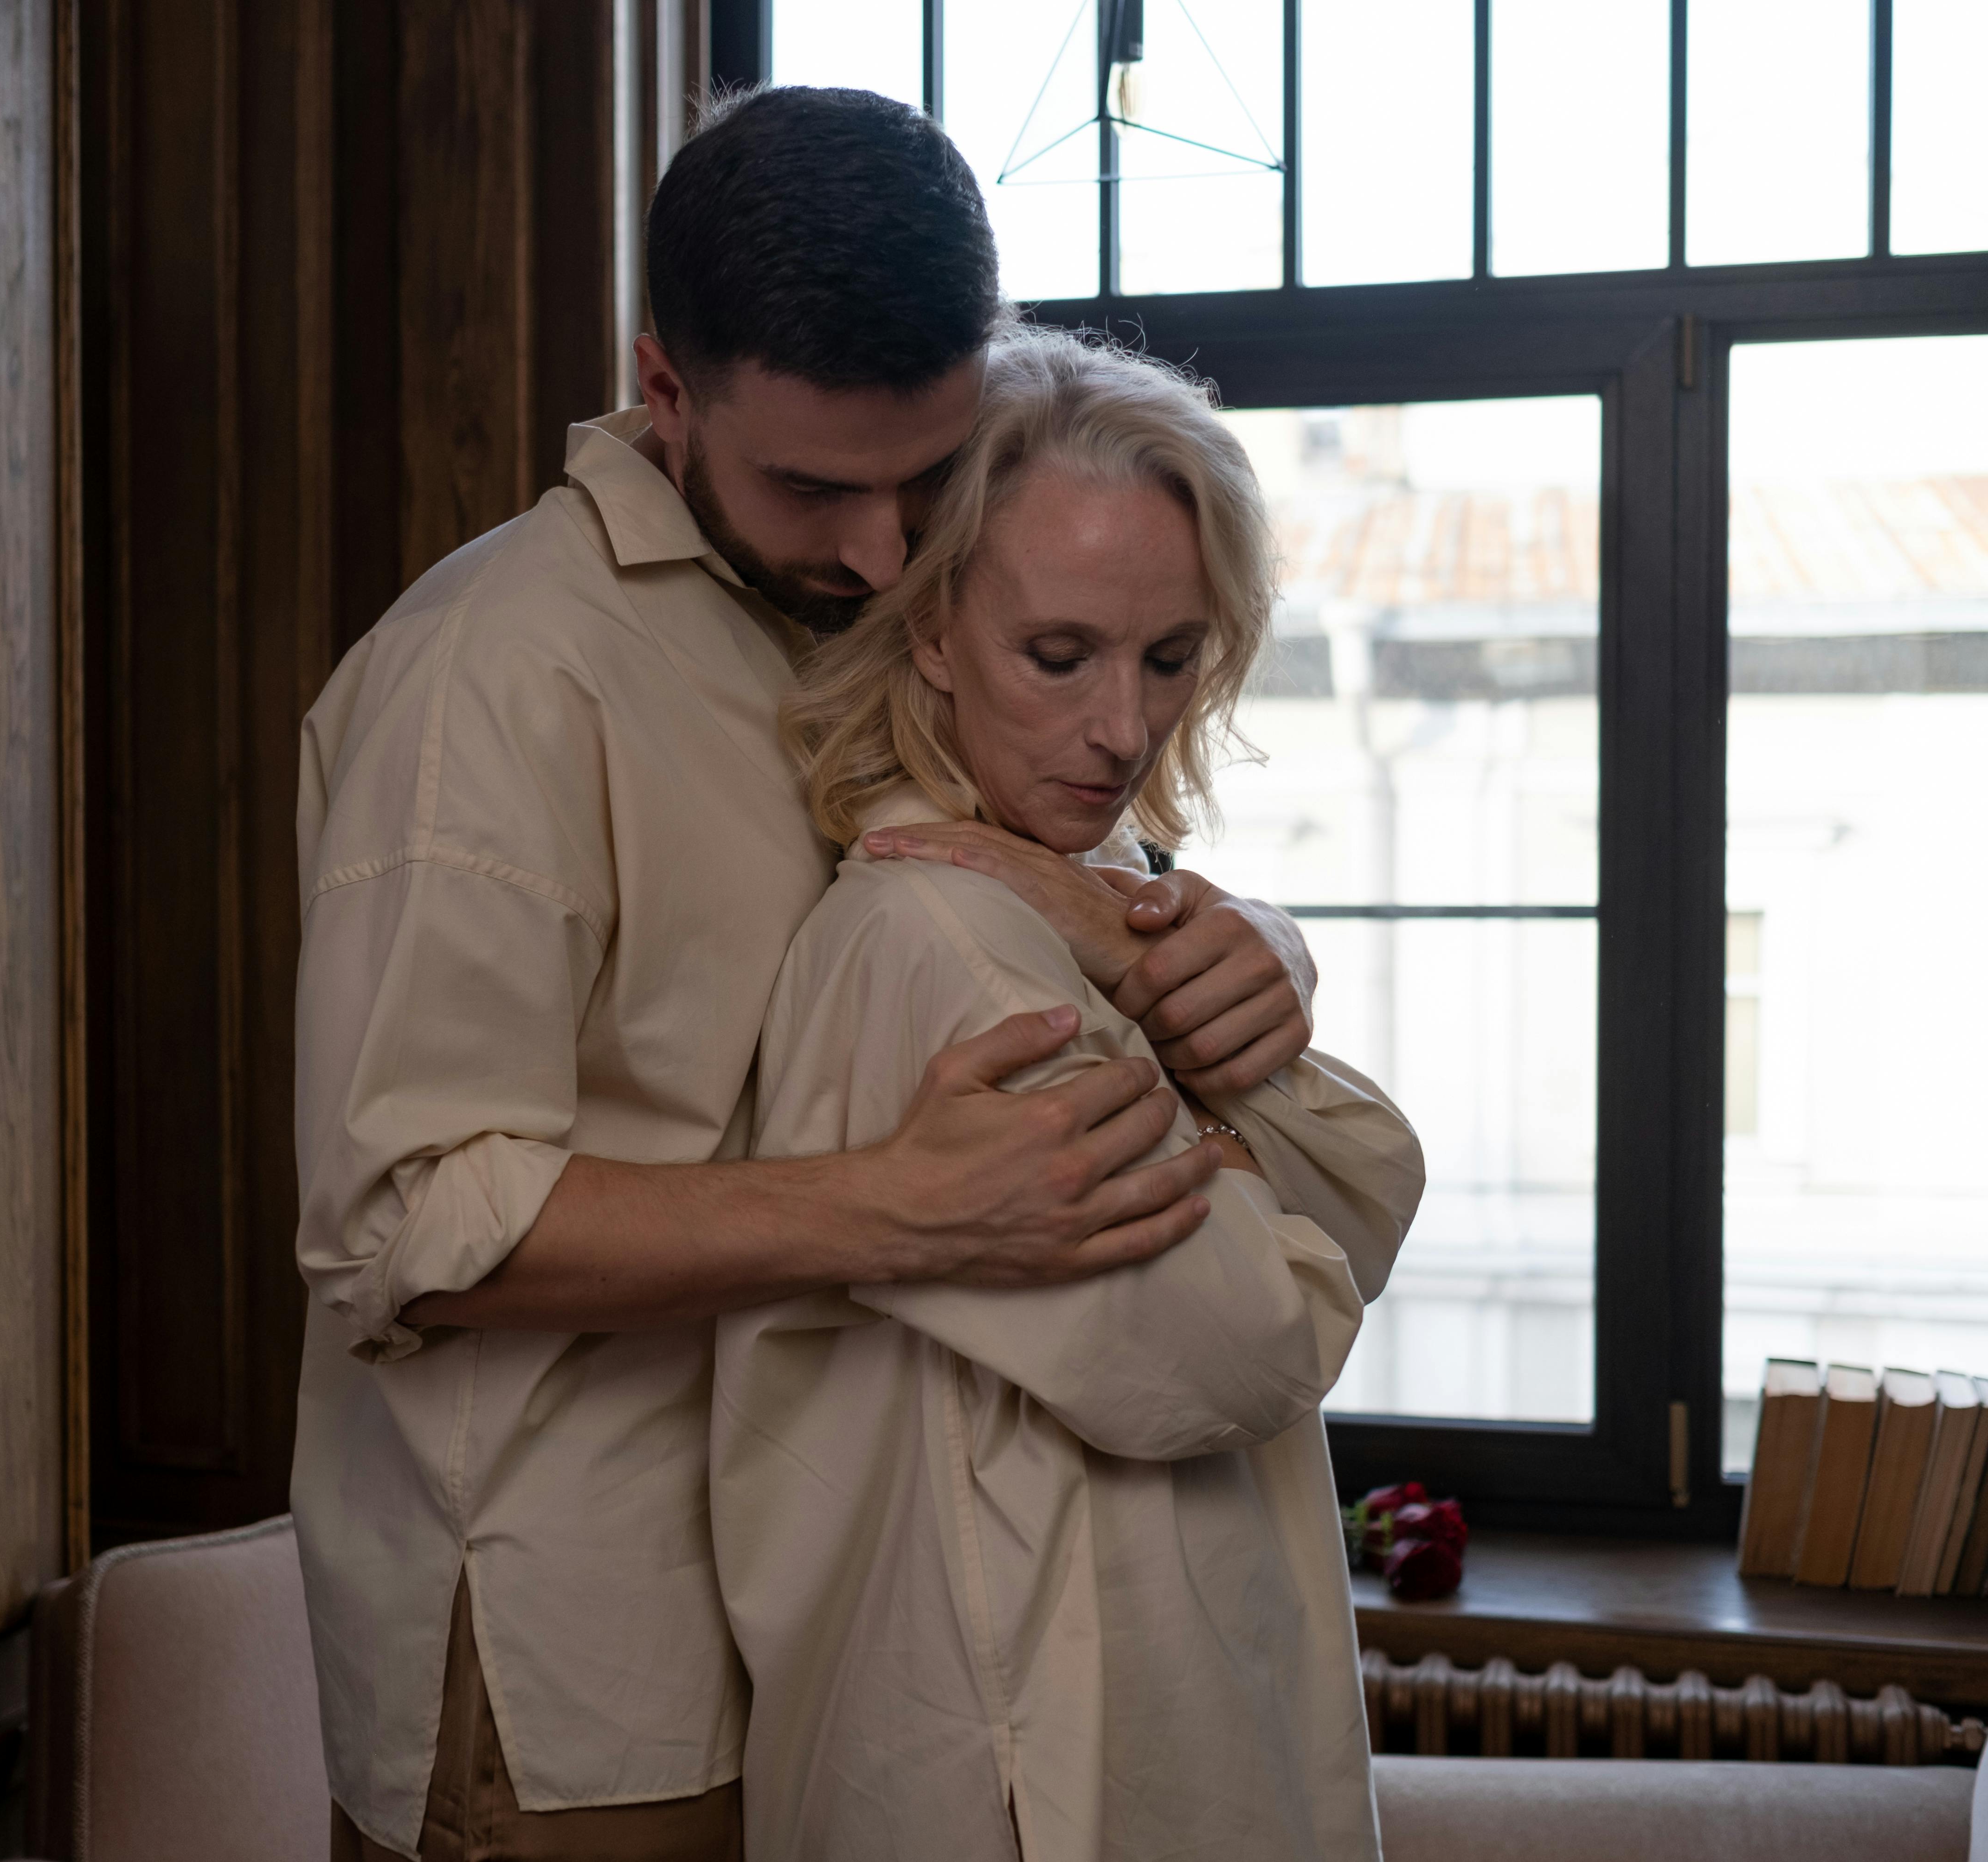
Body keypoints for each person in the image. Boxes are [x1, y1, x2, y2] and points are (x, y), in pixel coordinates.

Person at [296, 89, 1354, 1862]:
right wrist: (892, 1213)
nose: (880, 552)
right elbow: (400, 1223)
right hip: (589, 1668)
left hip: (839, 1628)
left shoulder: (897, 601)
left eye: (925, 480)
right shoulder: (493, 679)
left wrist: (1242, 940)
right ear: (667, 390)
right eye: (812, 485)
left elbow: (1033, 851)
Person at [714, 329, 1424, 1862]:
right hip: (1034, 1764)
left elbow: (1379, 1180)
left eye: (1170, 658)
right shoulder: (941, 947)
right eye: (1061, 655)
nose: (1125, 728)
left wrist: (1215, 949)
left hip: (1136, 1722)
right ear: (928, 633)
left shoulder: (1097, 897)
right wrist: (1244, 1140)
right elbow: (1256, 1333)